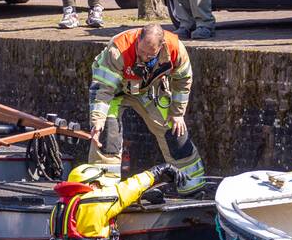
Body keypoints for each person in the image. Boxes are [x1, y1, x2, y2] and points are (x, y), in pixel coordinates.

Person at [87, 23, 206, 196]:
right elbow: (103, 88)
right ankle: (104, 188)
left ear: (162, 46)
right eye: (141, 51)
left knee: (174, 130)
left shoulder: (175, 49)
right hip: (116, 91)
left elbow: (183, 79)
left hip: (148, 90)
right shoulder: (119, 49)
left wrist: (177, 113)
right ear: (138, 39)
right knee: (107, 133)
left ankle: (192, 184)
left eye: (150, 55)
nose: (143, 57)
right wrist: (97, 119)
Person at [50, 162, 185, 240]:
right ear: (92, 185)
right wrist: (158, 170)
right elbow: (129, 187)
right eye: (101, 185)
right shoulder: (96, 200)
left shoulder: (60, 206)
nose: (104, 189)